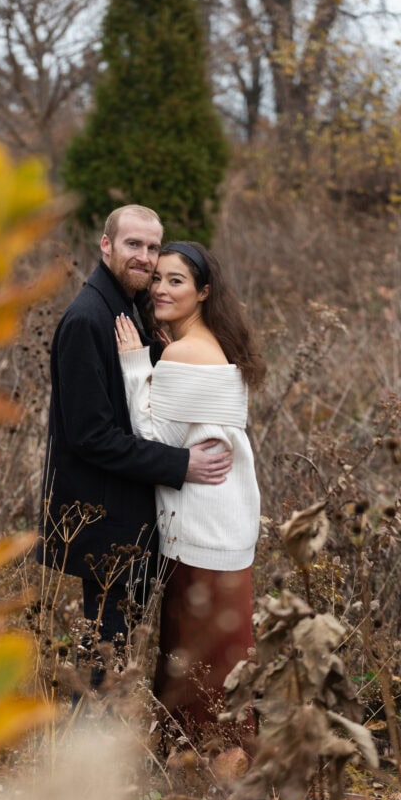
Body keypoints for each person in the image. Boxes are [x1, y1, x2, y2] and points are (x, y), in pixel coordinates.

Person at [37, 207, 233, 688]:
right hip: (104, 519)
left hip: (130, 514)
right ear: (106, 246)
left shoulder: (126, 308)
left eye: (151, 248)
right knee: (104, 657)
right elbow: (91, 436)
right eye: (133, 245)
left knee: (117, 652)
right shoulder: (88, 319)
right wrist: (182, 464)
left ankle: (109, 751)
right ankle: (85, 758)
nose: (144, 258)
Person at [115, 240, 266, 744]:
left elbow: (152, 439)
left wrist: (137, 364)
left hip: (203, 530)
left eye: (175, 280)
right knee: (222, 657)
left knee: (202, 661)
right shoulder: (210, 346)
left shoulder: (185, 351)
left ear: (203, 292)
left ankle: (211, 772)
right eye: (156, 278)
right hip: (225, 528)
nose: (159, 288)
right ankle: (213, 767)